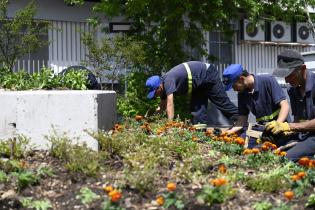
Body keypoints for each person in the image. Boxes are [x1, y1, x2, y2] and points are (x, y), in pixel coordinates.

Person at [145, 61, 238, 124]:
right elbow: (162, 108)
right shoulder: (163, 90)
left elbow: (170, 104)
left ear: (159, 87)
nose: (155, 95)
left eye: (155, 93)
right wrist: (149, 120)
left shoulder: (168, 81)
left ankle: (241, 121)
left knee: (222, 103)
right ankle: (200, 136)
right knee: (197, 113)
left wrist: (169, 125)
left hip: (207, 74)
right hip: (198, 85)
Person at [222, 64, 290, 148]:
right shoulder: (242, 94)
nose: (234, 89)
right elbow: (241, 121)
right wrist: (227, 132)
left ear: (241, 79)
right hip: (262, 128)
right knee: (238, 143)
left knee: (262, 149)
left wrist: (278, 125)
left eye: (234, 86)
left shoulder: (268, 80)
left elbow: (285, 105)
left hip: (280, 128)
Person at [265, 49, 315, 161]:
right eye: (284, 76)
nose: (286, 80)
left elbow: (295, 125)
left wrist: (290, 126)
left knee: (287, 158)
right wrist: (282, 130)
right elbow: (298, 120)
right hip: (304, 134)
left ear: (302, 69)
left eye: (289, 75)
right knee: (266, 146)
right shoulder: (292, 90)